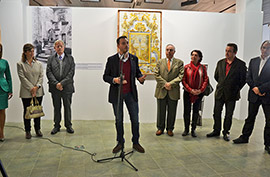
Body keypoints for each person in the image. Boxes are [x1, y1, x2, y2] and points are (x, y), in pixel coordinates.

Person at [103, 36, 146, 153]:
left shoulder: (134, 59)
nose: (126, 45)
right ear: (118, 46)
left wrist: (141, 79)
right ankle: (120, 143)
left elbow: (137, 73)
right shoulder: (111, 60)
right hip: (117, 95)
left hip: (131, 94)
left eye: (127, 43)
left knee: (135, 120)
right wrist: (115, 80)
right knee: (119, 120)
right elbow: (105, 76)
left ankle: (136, 142)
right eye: (123, 43)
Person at [233, 40, 270, 154]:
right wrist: (255, 88)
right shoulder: (253, 61)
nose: (265, 50)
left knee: (269, 120)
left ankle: (268, 144)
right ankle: (244, 137)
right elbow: (248, 77)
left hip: (267, 95)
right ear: (260, 48)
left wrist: (262, 89)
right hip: (254, 94)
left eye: (267, 48)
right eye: (263, 47)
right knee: (250, 117)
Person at [207, 43, 247, 141]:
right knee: (216, 112)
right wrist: (223, 84)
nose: (227, 53)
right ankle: (216, 130)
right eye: (226, 50)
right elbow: (216, 76)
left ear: (235, 52)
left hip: (232, 93)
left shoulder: (240, 64)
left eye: (229, 51)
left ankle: (226, 132)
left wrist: (236, 88)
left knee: (229, 114)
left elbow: (244, 79)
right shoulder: (220, 62)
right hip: (220, 92)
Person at [46, 40, 75, 135]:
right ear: (54, 48)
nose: (59, 48)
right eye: (57, 46)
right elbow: (49, 72)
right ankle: (56, 126)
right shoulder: (50, 59)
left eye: (61, 46)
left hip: (67, 87)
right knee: (56, 107)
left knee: (67, 107)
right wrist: (56, 84)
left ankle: (68, 125)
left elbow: (71, 73)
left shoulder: (70, 59)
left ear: (64, 47)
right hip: (55, 88)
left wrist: (61, 83)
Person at [154, 44, 184, 136]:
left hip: (173, 90)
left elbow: (181, 76)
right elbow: (156, 74)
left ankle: (170, 129)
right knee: (160, 111)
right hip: (161, 90)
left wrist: (170, 84)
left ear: (174, 52)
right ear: (165, 51)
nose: (169, 52)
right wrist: (165, 84)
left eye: (171, 50)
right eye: (167, 50)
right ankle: (160, 128)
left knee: (172, 111)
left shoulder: (179, 62)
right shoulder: (160, 62)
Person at [17, 43, 44, 139]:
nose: (33, 53)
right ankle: (27, 131)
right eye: (30, 51)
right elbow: (22, 78)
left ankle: (38, 129)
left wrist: (36, 87)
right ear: (25, 52)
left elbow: (41, 76)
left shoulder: (39, 64)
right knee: (27, 111)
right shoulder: (20, 64)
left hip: (38, 91)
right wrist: (31, 88)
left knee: (37, 111)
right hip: (26, 92)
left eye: (33, 51)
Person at [182, 50, 208, 137]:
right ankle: (186, 129)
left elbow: (205, 79)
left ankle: (193, 129)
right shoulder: (186, 67)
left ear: (199, 57)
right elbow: (184, 80)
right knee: (187, 111)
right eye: (192, 55)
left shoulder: (203, 68)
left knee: (196, 111)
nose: (193, 57)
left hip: (198, 93)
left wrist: (200, 90)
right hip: (188, 92)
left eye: (196, 55)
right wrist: (190, 90)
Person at [0, 43, 13, 141]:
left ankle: (1, 133)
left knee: (2, 111)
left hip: (3, 89)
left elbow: (8, 77)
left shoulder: (4, 62)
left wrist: (10, 90)